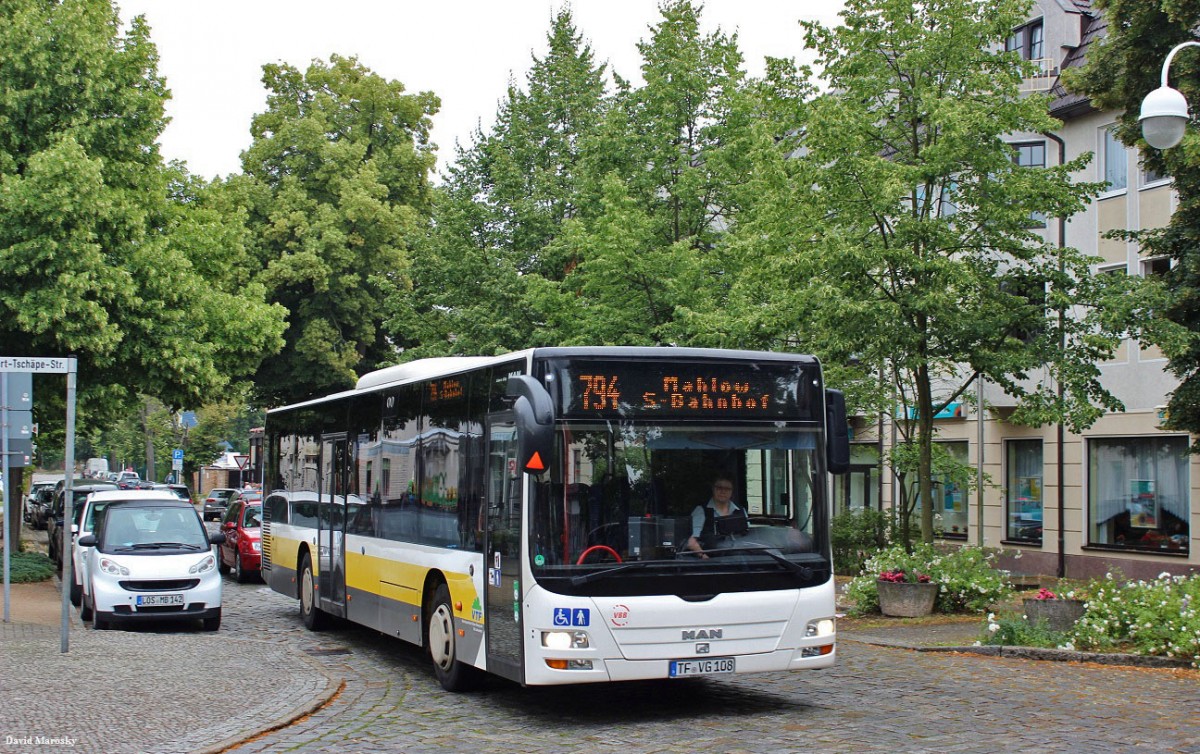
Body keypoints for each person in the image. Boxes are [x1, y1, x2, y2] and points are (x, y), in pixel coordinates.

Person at [686, 475, 748, 558]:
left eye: (727, 489)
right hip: (714, 562)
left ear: (732, 491)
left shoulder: (741, 511)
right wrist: (703, 556)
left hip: (740, 559)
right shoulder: (701, 510)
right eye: (719, 487)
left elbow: (749, 537)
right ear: (713, 488)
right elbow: (692, 542)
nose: (723, 491)